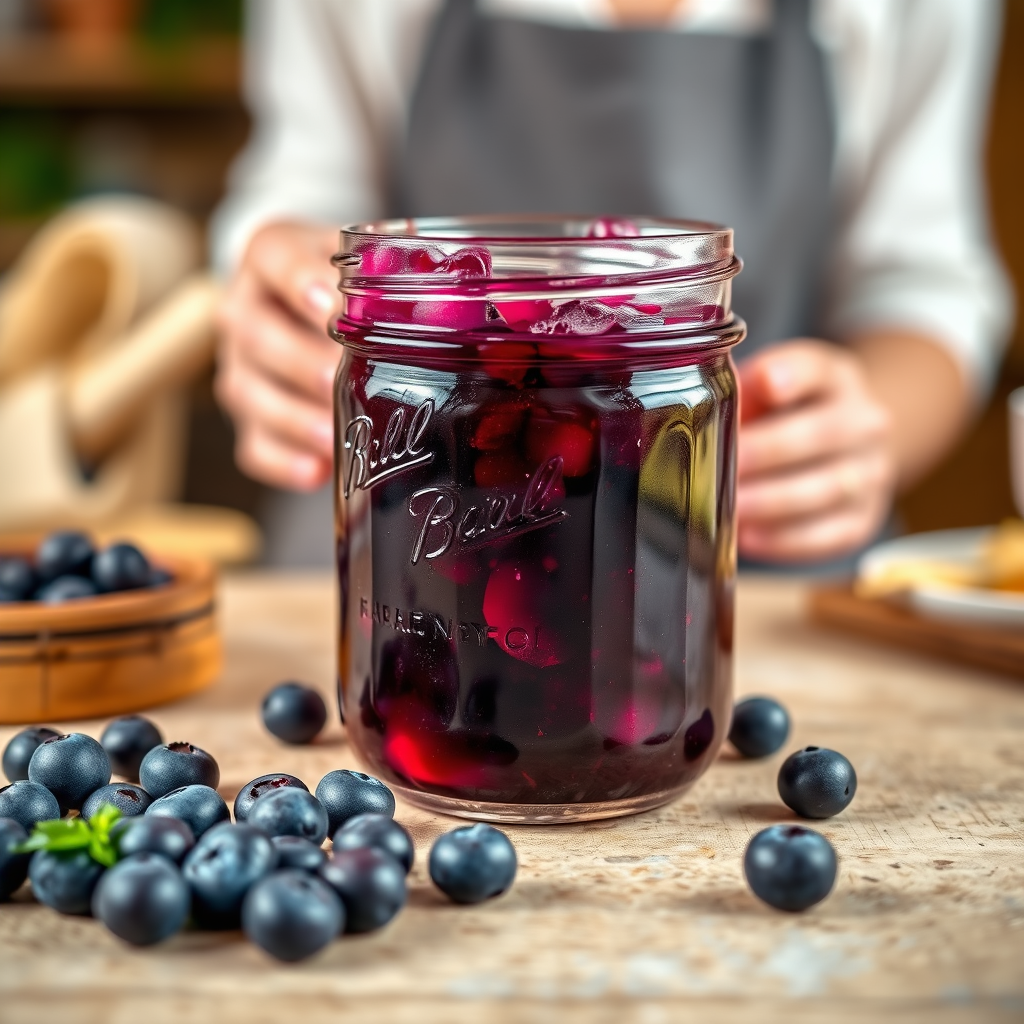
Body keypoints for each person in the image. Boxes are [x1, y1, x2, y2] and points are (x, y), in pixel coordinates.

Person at [213, 0, 1012, 566]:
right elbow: (305, 200)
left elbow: (923, 278)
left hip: (733, 552)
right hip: (413, 542)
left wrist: (866, 429)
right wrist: (282, 304)